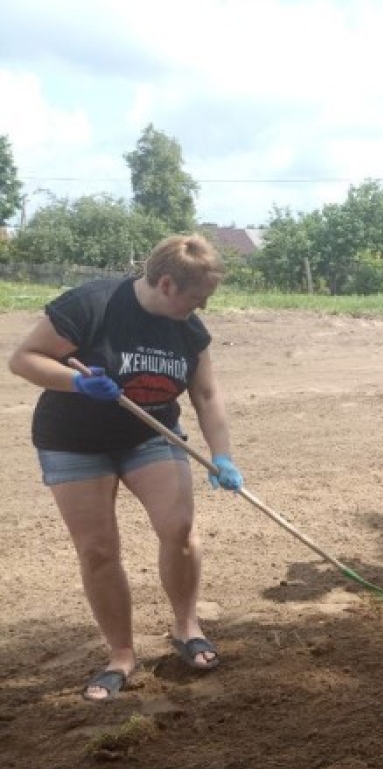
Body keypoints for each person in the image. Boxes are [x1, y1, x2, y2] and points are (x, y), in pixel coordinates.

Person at [7, 234, 244, 702]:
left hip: (151, 435)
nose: (203, 307)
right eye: (199, 297)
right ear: (167, 284)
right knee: (98, 549)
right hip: (74, 443)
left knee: (178, 528)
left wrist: (223, 455)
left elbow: (206, 395)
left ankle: (186, 626)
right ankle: (120, 654)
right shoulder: (91, 305)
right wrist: (76, 381)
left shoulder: (188, 329)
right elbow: (23, 360)